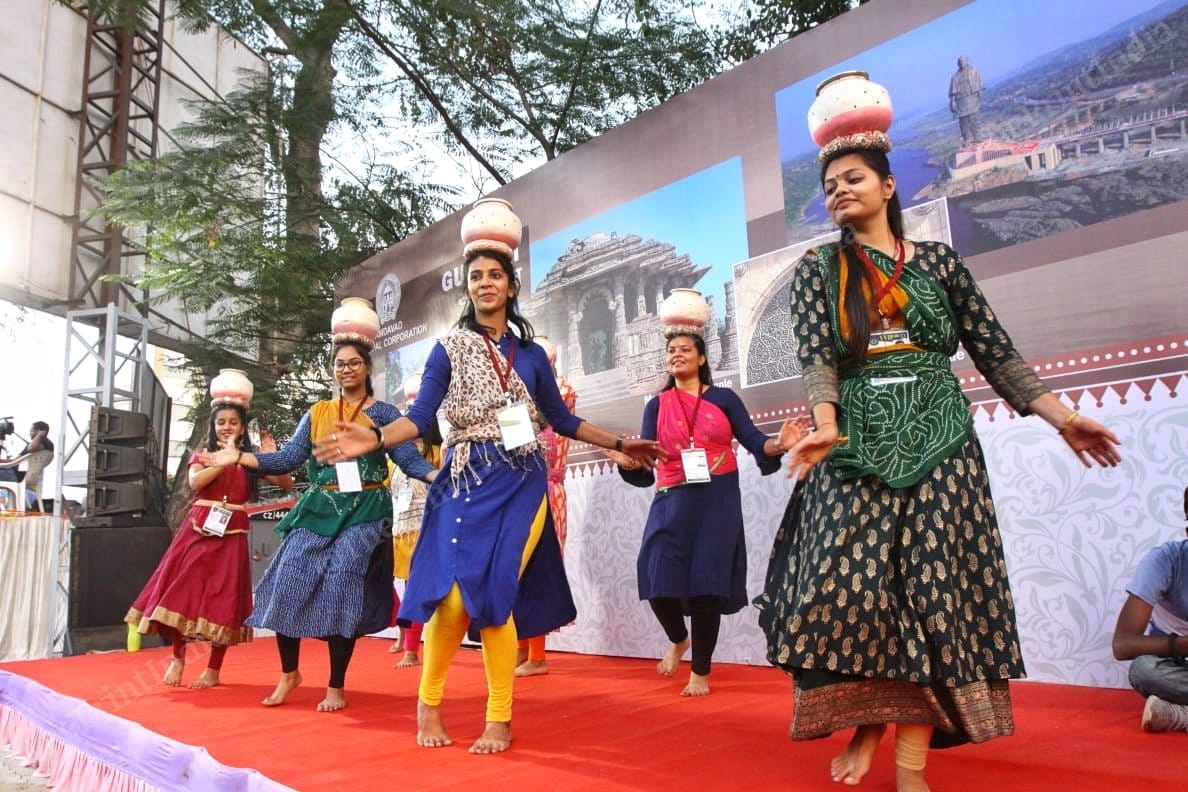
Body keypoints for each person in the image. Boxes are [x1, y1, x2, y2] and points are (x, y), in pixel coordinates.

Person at [755, 74, 1122, 792]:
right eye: (829, 186)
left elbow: (995, 350)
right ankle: (868, 721)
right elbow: (817, 357)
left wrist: (1063, 417)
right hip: (854, 442)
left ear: (888, 186)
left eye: (853, 179)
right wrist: (826, 424)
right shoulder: (818, 270)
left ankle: (910, 764)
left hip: (942, 443)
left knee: (933, 597)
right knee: (844, 591)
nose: (838, 192)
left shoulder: (941, 265)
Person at [316, 200, 664, 754]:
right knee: (453, 603)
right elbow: (421, 417)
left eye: (494, 275)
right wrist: (377, 437)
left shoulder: (531, 356)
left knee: (496, 597)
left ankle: (499, 715)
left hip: (520, 481)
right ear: (469, 286)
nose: (484, 283)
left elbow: (562, 420)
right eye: (475, 275)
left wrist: (621, 444)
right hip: (463, 478)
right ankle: (428, 703)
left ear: (511, 285)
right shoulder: (449, 349)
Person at [211, 314, 437, 712]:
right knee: (287, 580)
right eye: (339, 364)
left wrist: (438, 476)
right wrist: (242, 457)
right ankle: (289, 673)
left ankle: (336, 684)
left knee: (342, 583)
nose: (346, 369)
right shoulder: (316, 413)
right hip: (319, 507)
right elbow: (287, 459)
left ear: (367, 368)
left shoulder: (384, 414)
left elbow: (408, 459)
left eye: (354, 363)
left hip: (367, 510)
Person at [608, 314, 806, 697]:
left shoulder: (724, 399)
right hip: (672, 497)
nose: (676, 355)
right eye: (671, 350)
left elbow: (755, 442)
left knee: (706, 584)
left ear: (701, 358)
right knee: (655, 575)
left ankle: (700, 671)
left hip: (718, 500)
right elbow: (647, 460)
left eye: (685, 349)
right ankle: (678, 639)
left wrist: (779, 444)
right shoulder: (657, 405)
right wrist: (630, 463)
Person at [125, 385, 291, 689]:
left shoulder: (249, 460)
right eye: (221, 422)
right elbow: (196, 482)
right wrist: (223, 460)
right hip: (198, 531)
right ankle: (178, 657)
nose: (227, 427)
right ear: (212, 427)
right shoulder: (203, 455)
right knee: (182, 590)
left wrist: (271, 456)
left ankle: (214, 668)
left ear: (243, 428)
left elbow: (286, 483)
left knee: (224, 598)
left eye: (233, 422)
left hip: (233, 535)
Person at [515, 335, 578, 678]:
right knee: (515, 567)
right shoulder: (516, 400)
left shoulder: (561, 394)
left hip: (548, 491)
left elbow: (558, 401)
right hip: (517, 489)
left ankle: (537, 654)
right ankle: (520, 647)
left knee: (540, 569)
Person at [1112, 485, 1188, 733]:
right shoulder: (1165, 560)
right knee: (1144, 670)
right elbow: (1123, 644)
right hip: (1176, 664)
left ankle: (1181, 716)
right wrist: (1183, 645)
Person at [388, 372, 443, 669]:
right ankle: (410, 647)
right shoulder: (394, 459)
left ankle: (418, 649)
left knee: (426, 591)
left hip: (429, 530)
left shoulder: (437, 452)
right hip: (401, 531)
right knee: (410, 590)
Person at [949, 55, 984, 145]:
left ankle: (978, 140)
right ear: (958, 63)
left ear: (967, 61)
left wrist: (980, 93)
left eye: (963, 61)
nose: (962, 63)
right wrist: (952, 102)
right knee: (964, 126)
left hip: (973, 101)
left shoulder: (973, 71)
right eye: (960, 61)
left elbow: (980, 84)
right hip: (961, 104)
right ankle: (967, 141)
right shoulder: (955, 77)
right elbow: (952, 94)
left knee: (975, 123)